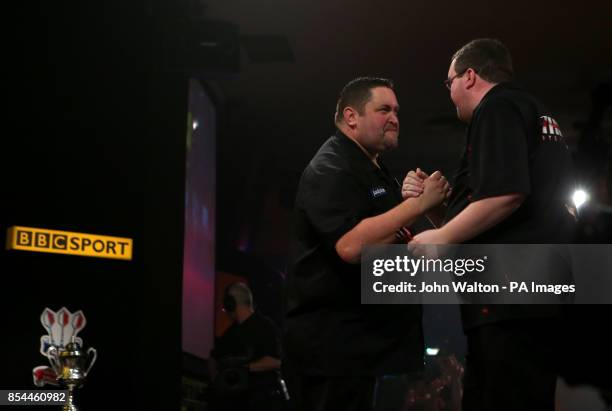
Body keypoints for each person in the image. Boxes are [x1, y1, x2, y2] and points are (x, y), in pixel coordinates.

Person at [404, 39, 576, 411]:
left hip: (511, 295)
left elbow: (507, 194)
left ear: (469, 77)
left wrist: (443, 235)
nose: (449, 93)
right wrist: (432, 208)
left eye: (448, 82)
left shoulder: (497, 107)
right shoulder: (535, 113)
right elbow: (498, 208)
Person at [285, 77, 450, 411]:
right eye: (384, 109)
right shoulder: (330, 167)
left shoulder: (373, 170)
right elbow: (350, 246)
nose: (394, 118)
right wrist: (415, 206)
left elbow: (392, 236)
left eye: (397, 111)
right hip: (332, 352)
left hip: (363, 350)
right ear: (351, 117)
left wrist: (417, 204)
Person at [210, 282, 288, 411]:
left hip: (261, 400)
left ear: (231, 303)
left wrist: (244, 368)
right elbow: (212, 358)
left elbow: (277, 361)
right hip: (233, 402)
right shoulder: (228, 334)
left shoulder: (265, 326)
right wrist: (217, 380)